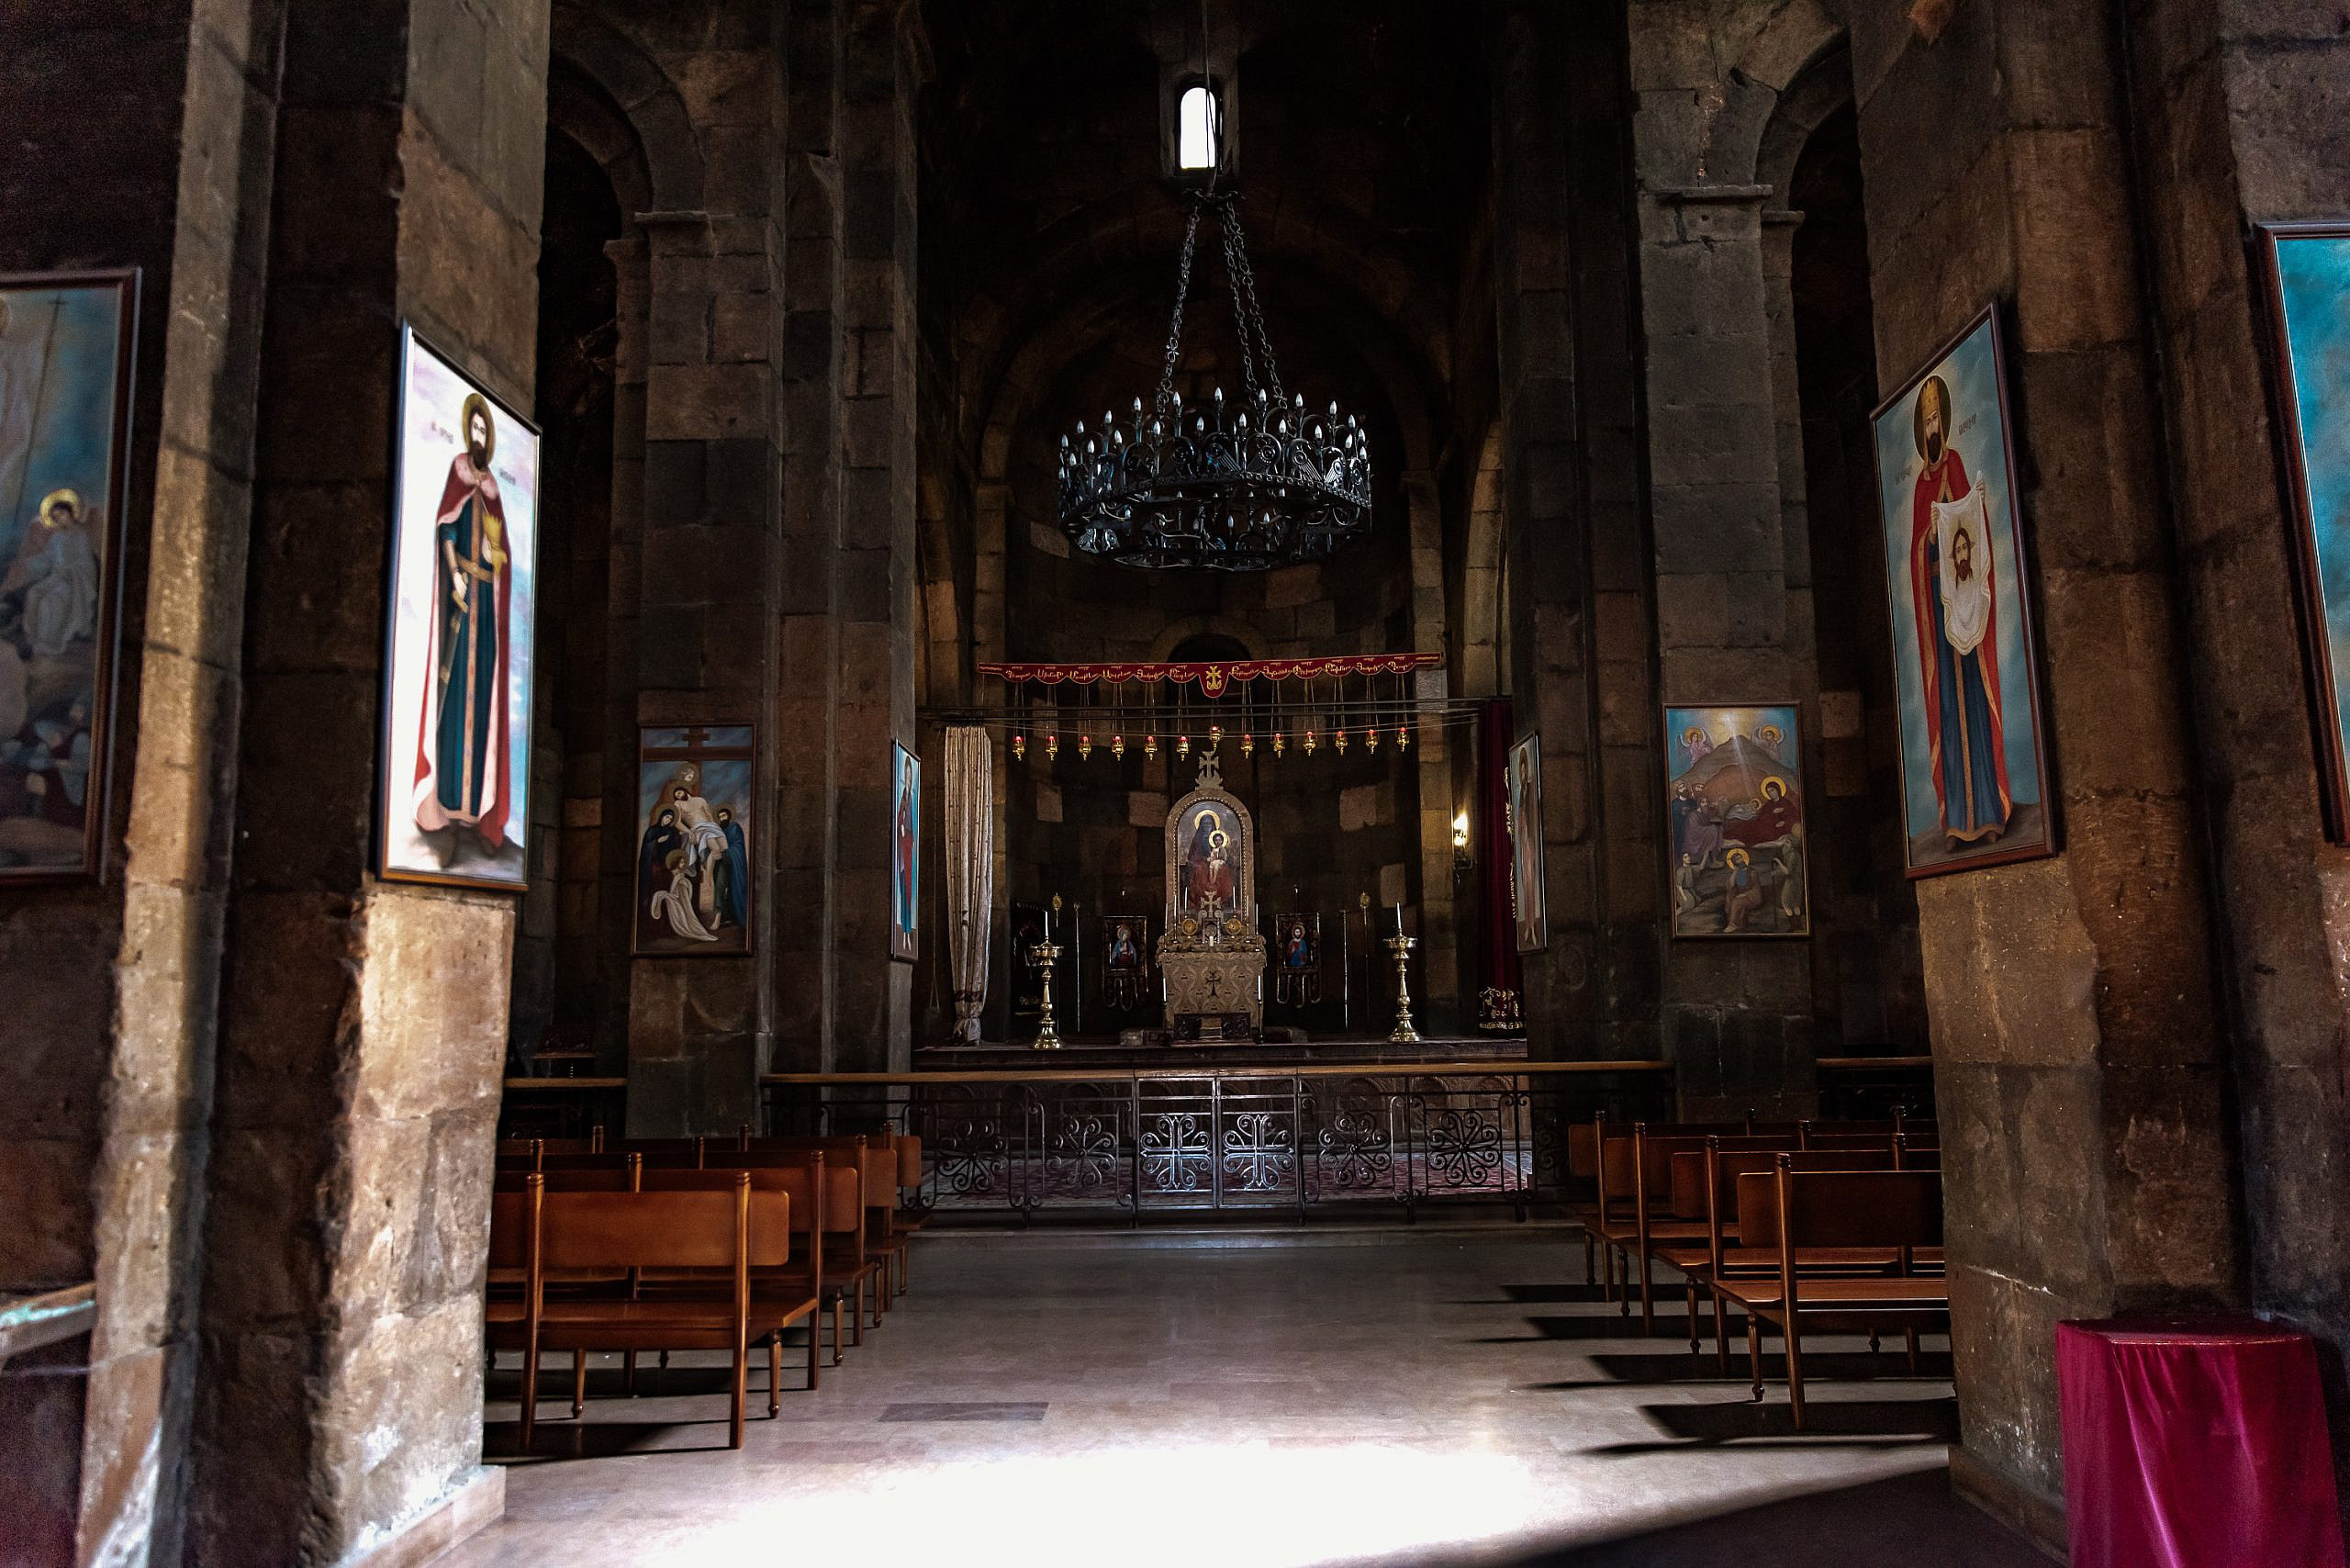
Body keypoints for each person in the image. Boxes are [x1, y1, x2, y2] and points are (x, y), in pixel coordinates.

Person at [1908, 374, 2011, 850]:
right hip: (1937, 611)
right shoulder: (1919, 489)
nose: (1932, 426)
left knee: (1972, 702)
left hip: (1962, 612)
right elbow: (1916, 553)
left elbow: (1971, 522)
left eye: (1936, 417)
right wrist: (1929, 536)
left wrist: (1969, 510)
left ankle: (1987, 813)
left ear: (1944, 423)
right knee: (1949, 712)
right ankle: (1955, 818)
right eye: (1925, 420)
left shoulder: (1956, 463)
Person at [412, 393, 513, 855]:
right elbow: (446, 527)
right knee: (455, 700)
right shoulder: (459, 473)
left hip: (486, 605)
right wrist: (454, 569)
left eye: (482, 431)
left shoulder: (492, 487)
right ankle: (449, 806)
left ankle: (476, 812)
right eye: (472, 430)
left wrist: (496, 556)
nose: (476, 437)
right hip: (461, 600)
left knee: (483, 704)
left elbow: (500, 550)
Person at [2, 488, 101, 660]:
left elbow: (86, 563)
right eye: (55, 517)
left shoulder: (80, 536)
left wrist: (70, 572)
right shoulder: (56, 537)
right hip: (55, 578)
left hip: (73, 583)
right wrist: (26, 563)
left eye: (61, 514)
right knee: (33, 595)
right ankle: (34, 641)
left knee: (49, 602)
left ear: (70, 513)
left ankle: (48, 644)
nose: (59, 519)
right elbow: (47, 559)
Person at [649, 848, 717, 942]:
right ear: (675, 862)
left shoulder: (680, 876)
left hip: (675, 899)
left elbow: (679, 894)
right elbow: (672, 891)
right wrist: (665, 895)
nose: (683, 864)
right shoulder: (668, 874)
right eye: (681, 862)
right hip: (671, 898)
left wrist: (684, 883)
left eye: (684, 862)